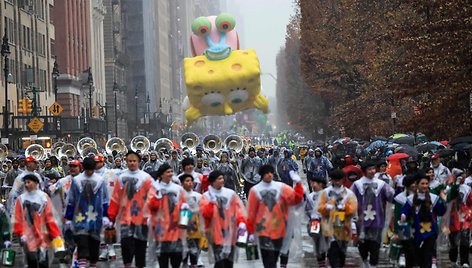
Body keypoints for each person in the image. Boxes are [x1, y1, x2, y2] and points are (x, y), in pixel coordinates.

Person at [246, 165, 304, 268]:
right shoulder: (255, 190)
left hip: (280, 229)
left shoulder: (281, 187)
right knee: (268, 259)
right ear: (262, 175)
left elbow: (296, 199)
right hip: (263, 230)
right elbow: (251, 212)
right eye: (267, 173)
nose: (269, 175)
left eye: (271, 172)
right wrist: (250, 232)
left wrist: (298, 184)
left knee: (275, 257)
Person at [108, 151, 153, 268]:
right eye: (130, 161)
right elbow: (115, 199)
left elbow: (153, 198)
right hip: (125, 219)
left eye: (134, 161)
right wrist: (111, 218)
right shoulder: (121, 178)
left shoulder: (146, 178)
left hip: (142, 219)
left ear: (139, 162)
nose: (132, 163)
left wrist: (152, 215)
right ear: (126, 162)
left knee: (140, 248)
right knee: (126, 246)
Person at [64, 157, 109, 268]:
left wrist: (106, 216)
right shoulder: (77, 180)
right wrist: (69, 218)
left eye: (91, 170)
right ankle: (82, 265)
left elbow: (105, 199)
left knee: (94, 244)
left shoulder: (100, 180)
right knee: (82, 243)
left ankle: (93, 264)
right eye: (87, 170)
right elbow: (71, 199)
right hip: (80, 217)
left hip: (95, 218)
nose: (89, 172)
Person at [351, 160, 394, 268]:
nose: (372, 171)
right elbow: (350, 200)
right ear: (364, 171)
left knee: (375, 245)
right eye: (369, 169)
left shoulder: (381, 184)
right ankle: (365, 262)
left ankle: (373, 265)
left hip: (377, 220)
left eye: (373, 169)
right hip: (361, 221)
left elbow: (391, 196)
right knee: (363, 246)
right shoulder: (357, 185)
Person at [13, 174, 62, 268]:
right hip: (28, 236)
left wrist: (55, 234)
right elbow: (18, 217)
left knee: (43, 262)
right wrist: (20, 233)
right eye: (25, 182)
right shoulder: (21, 199)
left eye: (29, 182)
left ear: (36, 183)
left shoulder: (43, 197)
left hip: (43, 235)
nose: (26, 185)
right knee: (31, 261)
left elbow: (49, 217)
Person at [200, 170, 247, 268]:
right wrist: (211, 203)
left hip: (230, 232)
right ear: (213, 181)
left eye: (222, 178)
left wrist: (241, 222)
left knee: (229, 262)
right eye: (219, 178)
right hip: (214, 234)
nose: (222, 180)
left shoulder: (230, 194)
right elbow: (205, 214)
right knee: (219, 262)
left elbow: (238, 210)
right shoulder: (206, 196)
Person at [400, 173, 447, 268]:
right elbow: (405, 209)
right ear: (417, 185)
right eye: (422, 183)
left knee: (427, 256)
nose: (425, 186)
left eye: (426, 183)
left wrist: (444, 201)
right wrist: (403, 215)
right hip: (416, 231)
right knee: (416, 256)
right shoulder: (410, 199)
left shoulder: (433, 198)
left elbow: (441, 212)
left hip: (430, 232)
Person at [148, 163, 187, 268]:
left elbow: (185, 206)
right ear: (161, 175)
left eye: (171, 172)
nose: (170, 174)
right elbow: (150, 206)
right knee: (163, 262)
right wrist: (158, 195)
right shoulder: (154, 189)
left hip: (176, 229)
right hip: (161, 231)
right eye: (167, 172)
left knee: (176, 260)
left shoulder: (178, 189)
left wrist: (184, 222)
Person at [318, 169, 358, 268]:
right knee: (333, 252)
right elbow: (319, 207)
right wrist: (326, 207)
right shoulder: (326, 193)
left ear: (343, 180)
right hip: (329, 227)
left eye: (339, 180)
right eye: (335, 180)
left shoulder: (349, 193)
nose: (337, 182)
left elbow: (353, 210)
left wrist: (346, 208)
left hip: (344, 227)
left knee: (342, 254)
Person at [179, 173, 204, 268]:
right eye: (187, 181)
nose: (189, 183)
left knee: (195, 249)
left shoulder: (198, 196)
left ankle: (194, 263)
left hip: (195, 226)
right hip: (182, 226)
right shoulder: (178, 195)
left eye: (191, 181)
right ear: (182, 183)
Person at [392, 175, 417, 267]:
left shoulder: (421, 195)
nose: (414, 185)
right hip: (405, 226)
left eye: (415, 183)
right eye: (412, 183)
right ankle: (402, 256)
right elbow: (397, 215)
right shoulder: (400, 198)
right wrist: (396, 231)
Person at [305, 173, 328, 267]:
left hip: (328, 222)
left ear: (321, 184)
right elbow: (306, 210)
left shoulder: (328, 194)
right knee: (317, 242)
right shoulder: (310, 196)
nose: (313, 185)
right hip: (315, 222)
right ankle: (321, 262)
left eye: (315, 183)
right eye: (312, 183)